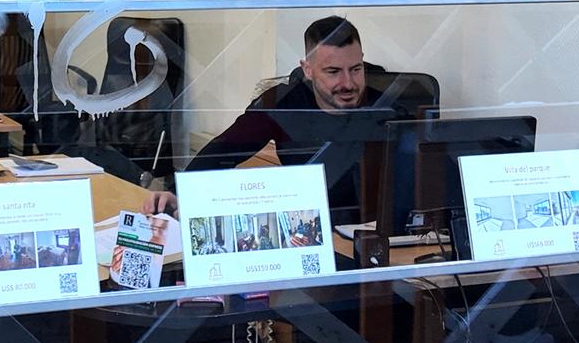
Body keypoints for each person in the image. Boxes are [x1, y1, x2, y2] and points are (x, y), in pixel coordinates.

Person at [144, 16, 403, 218]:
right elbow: (222, 151)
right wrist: (181, 194)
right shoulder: (283, 103)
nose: (348, 83)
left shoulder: (386, 101)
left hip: (382, 229)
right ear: (308, 70)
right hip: (313, 224)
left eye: (356, 69)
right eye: (333, 71)